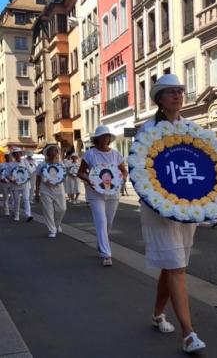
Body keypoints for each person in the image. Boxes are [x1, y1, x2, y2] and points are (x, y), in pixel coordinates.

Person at [136, 74, 205, 353]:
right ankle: (188, 333)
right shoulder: (147, 129)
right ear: (159, 100)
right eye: (170, 92)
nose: (177, 95)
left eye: (180, 91)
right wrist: (158, 200)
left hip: (186, 207)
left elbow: (202, 166)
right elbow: (141, 170)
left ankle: (156, 314)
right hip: (159, 208)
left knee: (174, 263)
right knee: (175, 265)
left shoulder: (192, 128)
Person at [78, 125, 127, 267]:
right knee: (101, 221)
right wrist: (90, 180)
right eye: (103, 136)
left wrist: (121, 179)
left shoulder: (116, 154)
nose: (106, 138)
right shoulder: (90, 154)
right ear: (97, 139)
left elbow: (123, 171)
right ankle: (106, 254)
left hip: (112, 192)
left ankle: (101, 243)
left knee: (109, 222)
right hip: (95, 193)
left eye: (108, 136)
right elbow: (80, 172)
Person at [35, 144, 67, 238]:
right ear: (47, 153)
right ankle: (52, 229)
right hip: (45, 190)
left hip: (59, 189)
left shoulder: (60, 164)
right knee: (48, 211)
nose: (54, 152)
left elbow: (63, 176)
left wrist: (57, 180)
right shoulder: (41, 165)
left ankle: (57, 224)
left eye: (55, 151)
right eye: (52, 151)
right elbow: (38, 179)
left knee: (62, 209)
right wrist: (37, 192)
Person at [7, 147, 33, 222]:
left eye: (19, 153)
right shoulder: (10, 164)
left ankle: (28, 215)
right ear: (14, 155)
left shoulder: (25, 162)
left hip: (25, 184)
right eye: (16, 154)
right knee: (16, 200)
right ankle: (17, 214)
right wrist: (12, 180)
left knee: (26, 199)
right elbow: (8, 175)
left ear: (21, 154)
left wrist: (28, 176)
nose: (18, 155)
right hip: (15, 185)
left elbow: (30, 171)